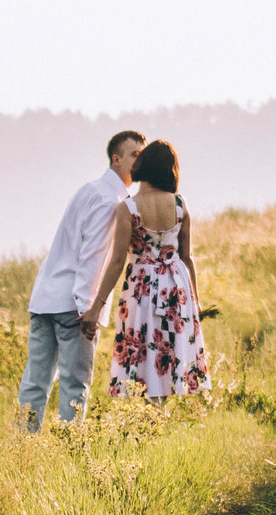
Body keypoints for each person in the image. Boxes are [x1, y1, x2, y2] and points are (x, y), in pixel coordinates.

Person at [19, 129, 146, 429]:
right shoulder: (110, 201)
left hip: (45, 299)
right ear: (117, 160)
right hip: (74, 307)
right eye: (134, 155)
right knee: (75, 389)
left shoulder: (88, 189)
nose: (140, 161)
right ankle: (69, 454)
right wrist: (89, 309)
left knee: (34, 384)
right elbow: (93, 256)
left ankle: (21, 447)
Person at [85, 138, 211, 399]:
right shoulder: (180, 204)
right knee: (170, 353)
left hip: (142, 291)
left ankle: (152, 415)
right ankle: (160, 412)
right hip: (177, 289)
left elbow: (118, 262)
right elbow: (187, 257)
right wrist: (196, 301)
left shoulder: (128, 208)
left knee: (146, 353)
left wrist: (96, 305)